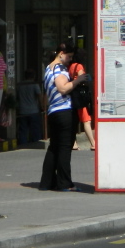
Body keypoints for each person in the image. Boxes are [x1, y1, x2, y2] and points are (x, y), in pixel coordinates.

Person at [39, 42, 90, 192]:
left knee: (54, 147)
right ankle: (64, 183)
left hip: (53, 111)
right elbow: (62, 88)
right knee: (64, 148)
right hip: (64, 111)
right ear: (60, 53)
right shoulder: (59, 68)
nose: (69, 59)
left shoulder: (48, 68)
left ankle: (46, 182)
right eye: (68, 56)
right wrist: (78, 80)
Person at [68, 51, 95, 152]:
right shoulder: (79, 66)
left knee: (74, 121)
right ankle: (93, 143)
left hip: (73, 95)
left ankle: (74, 143)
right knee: (86, 121)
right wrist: (89, 78)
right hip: (81, 96)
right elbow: (82, 78)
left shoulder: (70, 66)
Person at [16, 69, 45, 145]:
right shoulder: (34, 84)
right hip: (33, 111)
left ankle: (23, 144)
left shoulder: (20, 85)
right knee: (35, 129)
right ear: (33, 76)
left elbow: (17, 97)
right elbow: (39, 96)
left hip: (22, 110)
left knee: (23, 130)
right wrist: (42, 106)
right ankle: (36, 143)